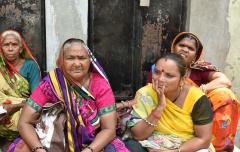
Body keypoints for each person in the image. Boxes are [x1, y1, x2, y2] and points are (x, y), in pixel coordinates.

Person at [9, 38, 129, 152]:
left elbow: (109, 129)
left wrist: (89, 150)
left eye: (82, 58)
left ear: (89, 60)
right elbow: (24, 122)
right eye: (70, 58)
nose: (77, 63)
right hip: (53, 140)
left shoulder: (100, 85)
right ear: (61, 61)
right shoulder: (51, 83)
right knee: (21, 147)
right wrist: (39, 149)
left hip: (93, 142)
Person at [124, 53, 214, 152]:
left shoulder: (197, 98)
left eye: (169, 75)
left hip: (185, 147)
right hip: (152, 145)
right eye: (157, 72)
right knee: (130, 146)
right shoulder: (145, 94)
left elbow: (203, 139)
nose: (160, 79)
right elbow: (138, 135)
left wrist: (174, 151)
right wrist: (159, 108)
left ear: (182, 79)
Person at [171, 32, 239, 151]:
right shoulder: (163, 65)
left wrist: (198, 91)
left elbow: (225, 81)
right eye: (182, 45)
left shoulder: (199, 70)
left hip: (196, 112)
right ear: (174, 47)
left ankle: (219, 146)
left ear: (196, 55)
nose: (185, 50)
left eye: (190, 48)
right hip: (172, 113)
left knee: (225, 95)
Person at [0, 30, 41, 142]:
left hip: (22, 110)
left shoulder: (30, 66)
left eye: (14, 44)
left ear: (21, 48)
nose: (10, 49)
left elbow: (37, 99)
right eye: (6, 45)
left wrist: (13, 107)